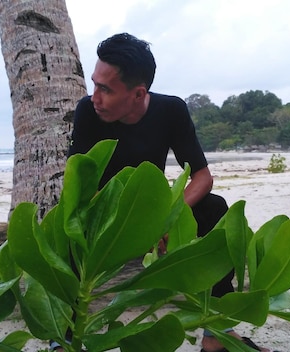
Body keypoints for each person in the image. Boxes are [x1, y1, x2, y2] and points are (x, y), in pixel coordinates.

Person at [66, 33, 274, 352]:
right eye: (94, 84)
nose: (95, 96)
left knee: (215, 208)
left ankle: (217, 333)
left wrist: (165, 220)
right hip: (102, 216)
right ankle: (65, 338)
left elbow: (202, 177)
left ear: (138, 93)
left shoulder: (171, 110)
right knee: (67, 228)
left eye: (105, 89)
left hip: (152, 211)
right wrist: (128, 228)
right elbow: (81, 186)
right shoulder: (88, 112)